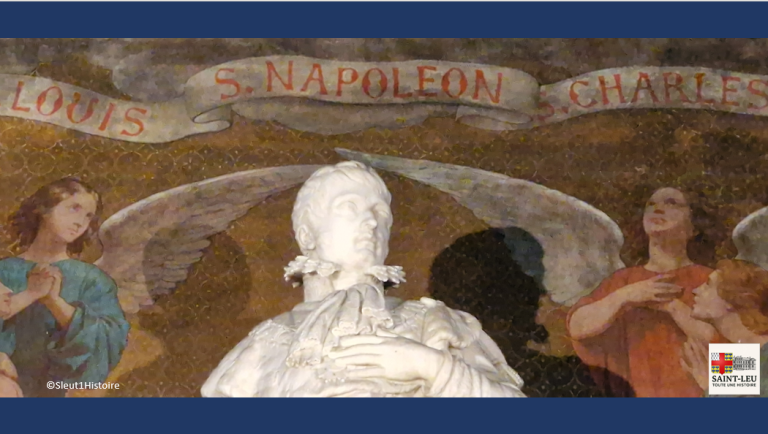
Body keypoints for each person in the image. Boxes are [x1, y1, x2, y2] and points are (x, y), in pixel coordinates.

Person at [202, 161, 526, 397]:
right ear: (306, 235)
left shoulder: (436, 322)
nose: (371, 222)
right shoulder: (263, 344)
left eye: (380, 213)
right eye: (349, 207)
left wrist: (434, 368)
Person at [567, 187, 721, 397]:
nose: (657, 209)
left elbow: (744, 358)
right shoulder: (624, 281)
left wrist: (674, 308)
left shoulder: (712, 280)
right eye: (651, 204)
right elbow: (577, 326)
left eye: (671, 203)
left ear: (694, 226)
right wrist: (627, 295)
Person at [0, 177, 130, 397]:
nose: (80, 222)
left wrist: (54, 302)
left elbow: (108, 341)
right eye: (74, 208)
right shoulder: (4, 271)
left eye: (88, 216)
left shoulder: (92, 279)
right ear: (43, 208)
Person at [680, 259, 768, 397]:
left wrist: (709, 387)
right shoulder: (737, 356)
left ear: (733, 299)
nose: (696, 290)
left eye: (708, 285)